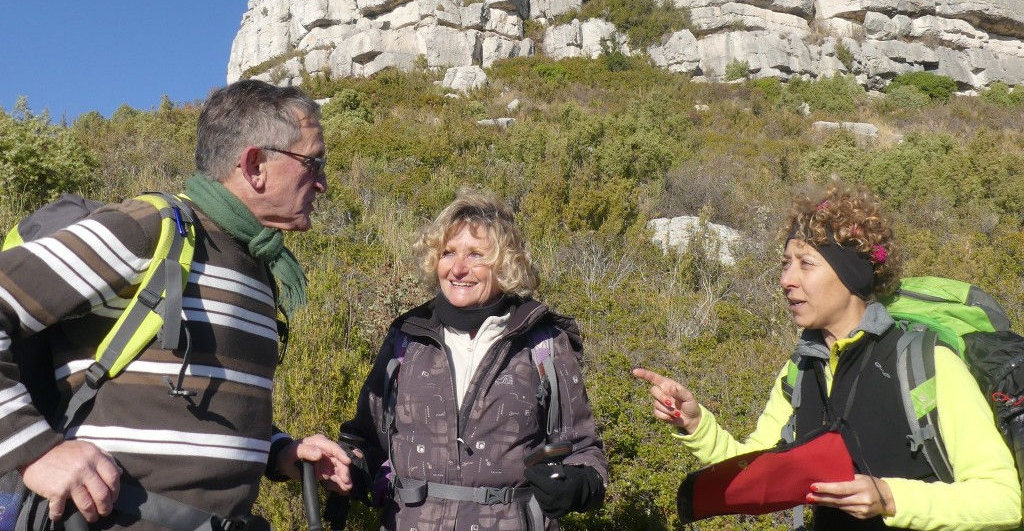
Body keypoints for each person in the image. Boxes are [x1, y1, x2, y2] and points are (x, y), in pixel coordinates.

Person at [0, 80, 357, 530]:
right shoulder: (148, 229)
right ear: (254, 165)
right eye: (313, 162)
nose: (322, 182)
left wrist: (280, 450)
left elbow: (192, 406)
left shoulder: (257, 264)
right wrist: (35, 452)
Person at [634, 180, 1022, 531]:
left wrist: (889, 498)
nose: (787, 280)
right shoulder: (801, 368)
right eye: (786, 263)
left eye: (806, 263)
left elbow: (1002, 500)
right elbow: (761, 465)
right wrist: (697, 424)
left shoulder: (924, 364)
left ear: (851, 275)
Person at [333, 189, 607, 531]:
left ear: (504, 264)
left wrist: (578, 487)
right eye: (448, 253)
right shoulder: (407, 338)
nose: (459, 268)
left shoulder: (544, 342)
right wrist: (346, 469)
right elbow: (367, 440)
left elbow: (585, 453)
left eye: (476, 255)